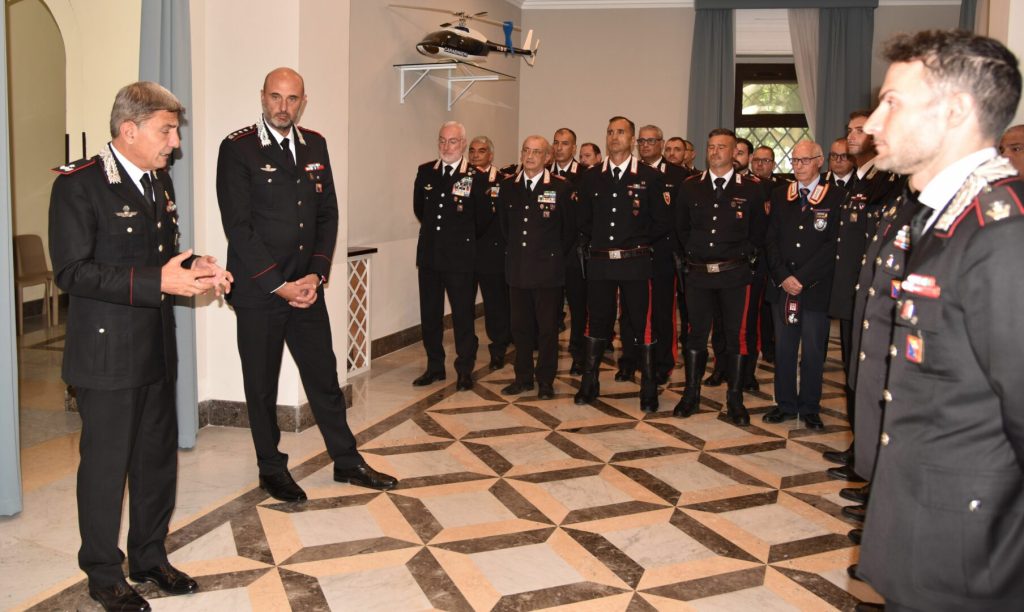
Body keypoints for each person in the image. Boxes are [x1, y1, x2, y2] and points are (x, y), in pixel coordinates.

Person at [853, 30, 1024, 611]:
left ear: (955, 110)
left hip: (973, 554)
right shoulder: (943, 217)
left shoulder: (1002, 234)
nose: (874, 123)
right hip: (923, 525)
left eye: (891, 102)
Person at [49, 81, 232, 611]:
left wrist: (195, 267)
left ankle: (149, 557)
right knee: (106, 469)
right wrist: (158, 282)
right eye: (167, 130)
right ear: (129, 130)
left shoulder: (158, 180)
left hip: (155, 346)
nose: (175, 142)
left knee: (156, 462)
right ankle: (103, 573)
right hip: (106, 356)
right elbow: (72, 271)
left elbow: (157, 256)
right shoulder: (80, 184)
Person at [216, 67, 397, 505]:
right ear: (263, 97)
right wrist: (279, 285)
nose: (283, 106)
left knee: (324, 378)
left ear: (303, 101)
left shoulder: (315, 144)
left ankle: (347, 460)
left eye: (292, 98)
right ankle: (271, 468)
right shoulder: (238, 148)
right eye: (276, 97)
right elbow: (239, 228)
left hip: (305, 289)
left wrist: (316, 274)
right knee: (261, 385)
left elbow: (326, 214)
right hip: (261, 292)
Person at [825, 110, 903, 483]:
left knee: (869, 378)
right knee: (853, 373)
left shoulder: (888, 179)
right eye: (850, 129)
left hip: (872, 293)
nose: (853, 135)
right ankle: (860, 449)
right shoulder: (860, 178)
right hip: (853, 291)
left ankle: (868, 458)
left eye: (860, 129)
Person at [575, 116, 672, 412]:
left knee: (642, 323)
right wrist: (602, 242)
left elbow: (662, 221)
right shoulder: (591, 176)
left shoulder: (650, 176)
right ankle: (589, 382)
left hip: (635, 262)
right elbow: (583, 219)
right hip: (601, 262)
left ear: (632, 139)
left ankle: (648, 385)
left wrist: (635, 241)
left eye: (621, 132)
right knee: (597, 321)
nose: (614, 137)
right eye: (610, 132)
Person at [674, 128, 768, 424]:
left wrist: (742, 255)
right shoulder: (690, 186)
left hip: (734, 274)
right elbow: (680, 227)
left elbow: (759, 231)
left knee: (736, 336)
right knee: (695, 335)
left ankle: (735, 399)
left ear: (734, 152)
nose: (715, 152)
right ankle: (691, 394)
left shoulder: (751, 189)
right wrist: (693, 253)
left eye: (722, 147)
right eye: (711, 147)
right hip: (699, 274)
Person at [761, 141, 843, 430]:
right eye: (795, 160)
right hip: (783, 286)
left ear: (819, 161)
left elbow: (833, 245)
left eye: (804, 160)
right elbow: (771, 240)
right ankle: (784, 404)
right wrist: (784, 276)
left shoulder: (835, 196)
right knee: (784, 349)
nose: (798, 166)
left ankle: (810, 407)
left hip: (816, 287)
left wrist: (803, 278)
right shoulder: (780, 194)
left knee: (813, 351)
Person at [498, 136, 577, 399]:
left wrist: (551, 256)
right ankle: (522, 378)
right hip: (518, 267)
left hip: (547, 271)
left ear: (547, 157)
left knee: (547, 330)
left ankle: (545, 380)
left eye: (536, 152)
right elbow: (504, 227)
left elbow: (568, 231)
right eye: (526, 150)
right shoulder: (508, 186)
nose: (530, 156)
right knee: (520, 329)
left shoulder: (560, 187)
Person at [410, 120, 483, 391]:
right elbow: (420, 208)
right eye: (442, 140)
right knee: (430, 315)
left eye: (452, 141)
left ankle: (464, 369)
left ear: (463, 144)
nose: (446, 146)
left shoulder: (474, 176)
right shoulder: (425, 172)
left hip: (460, 258)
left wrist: (459, 240)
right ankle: (434, 366)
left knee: (462, 315)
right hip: (430, 256)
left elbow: (482, 219)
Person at [547, 128, 588, 374]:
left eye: (565, 143)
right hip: (547, 253)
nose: (559, 147)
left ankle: (578, 353)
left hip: (574, 252)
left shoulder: (585, 175)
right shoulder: (543, 172)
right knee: (548, 308)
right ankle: (547, 354)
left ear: (574, 148)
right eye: (556, 143)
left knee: (578, 306)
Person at [468, 135, 511, 370]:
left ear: (491, 155)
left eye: (481, 151)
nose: (475, 155)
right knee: (464, 305)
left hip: (492, 253)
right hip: (466, 252)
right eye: (472, 150)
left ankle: (498, 348)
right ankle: (469, 347)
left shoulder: (502, 181)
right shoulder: (462, 180)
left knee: (495, 305)